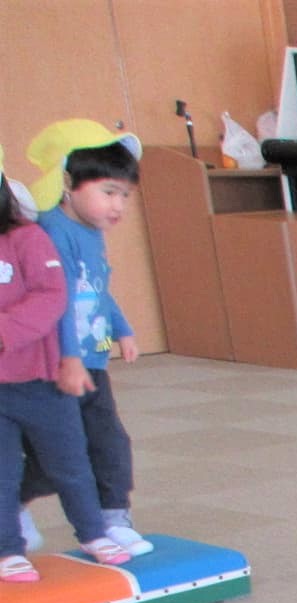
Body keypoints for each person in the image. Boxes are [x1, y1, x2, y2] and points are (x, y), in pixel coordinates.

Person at [17, 121, 153, 557]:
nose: (119, 206)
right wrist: (68, 360)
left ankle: (114, 517)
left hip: (91, 365)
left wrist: (122, 329)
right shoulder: (52, 232)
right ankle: (12, 505)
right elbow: (53, 304)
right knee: (57, 457)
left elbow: (97, 289)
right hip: (55, 369)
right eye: (109, 192)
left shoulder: (91, 233)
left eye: (125, 195)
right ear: (67, 183)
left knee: (109, 442)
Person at [0, 142, 127, 581]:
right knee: (2, 473)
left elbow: (51, 296)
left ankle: (94, 532)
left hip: (40, 382)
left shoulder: (28, 238)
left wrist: (4, 332)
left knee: (70, 464)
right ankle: (7, 549)